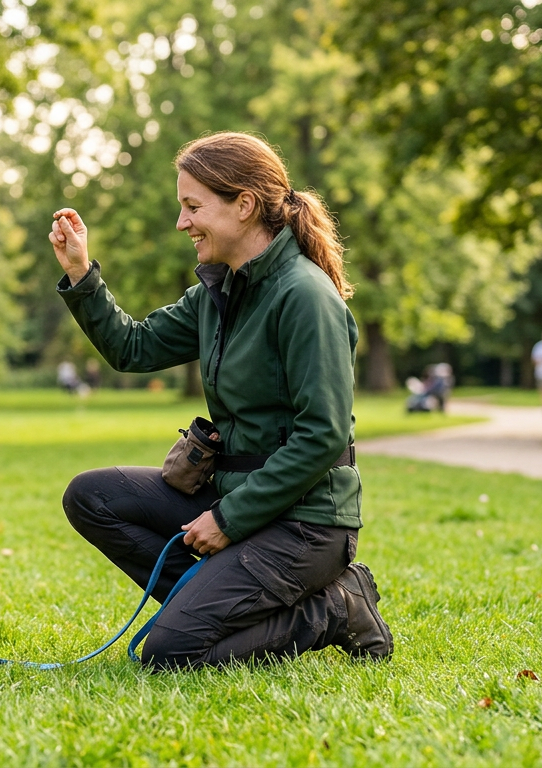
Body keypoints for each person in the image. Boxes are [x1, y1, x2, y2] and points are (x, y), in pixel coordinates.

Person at [49, 131, 391, 671]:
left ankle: (335, 607)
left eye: (193, 207)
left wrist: (228, 519)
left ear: (244, 205)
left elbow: (322, 437)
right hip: (233, 498)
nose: (181, 223)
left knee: (171, 653)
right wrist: (79, 272)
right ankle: (213, 607)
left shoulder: (305, 296)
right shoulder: (219, 291)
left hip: (305, 525)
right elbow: (133, 347)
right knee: (92, 497)